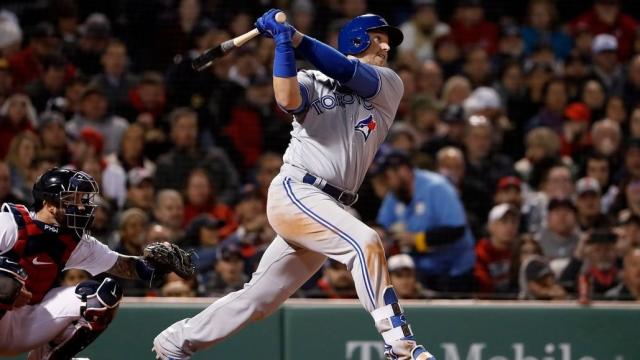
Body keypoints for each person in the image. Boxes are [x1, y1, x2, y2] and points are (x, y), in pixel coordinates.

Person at [153, 10, 436, 360]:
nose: (386, 46)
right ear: (358, 39)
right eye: (379, 37)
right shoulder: (313, 78)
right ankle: (401, 346)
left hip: (330, 206)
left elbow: (347, 71)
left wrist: (295, 37)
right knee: (365, 242)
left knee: (258, 300)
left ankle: (177, 341)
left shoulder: (389, 83)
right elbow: (286, 99)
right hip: (298, 190)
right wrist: (284, 44)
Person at [0, 168, 189, 358]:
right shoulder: (10, 223)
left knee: (103, 295)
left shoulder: (76, 241)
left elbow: (123, 266)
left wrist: (156, 266)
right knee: (7, 277)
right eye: (73, 200)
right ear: (49, 204)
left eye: (82, 199)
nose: (81, 207)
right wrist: (9, 287)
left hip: (29, 323)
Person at [377, 151, 475, 294]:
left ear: (403, 171)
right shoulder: (395, 195)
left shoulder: (437, 187)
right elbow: (382, 226)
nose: (386, 182)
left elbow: (456, 229)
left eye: (388, 176)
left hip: (455, 270)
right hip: (421, 271)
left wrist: (417, 239)